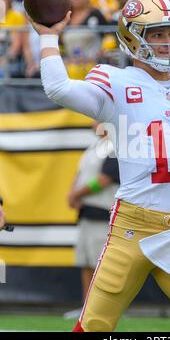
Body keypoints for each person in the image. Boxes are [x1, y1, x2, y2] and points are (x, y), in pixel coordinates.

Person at [28, 0, 170, 332]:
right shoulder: (115, 83)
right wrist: (48, 38)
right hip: (132, 227)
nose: (166, 42)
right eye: (156, 33)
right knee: (95, 325)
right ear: (132, 37)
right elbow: (57, 88)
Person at [68, 122, 120, 301]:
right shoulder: (94, 146)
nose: (92, 122)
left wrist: (76, 194)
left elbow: (103, 179)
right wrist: (73, 193)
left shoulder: (116, 146)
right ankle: (86, 308)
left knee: (102, 265)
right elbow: (82, 175)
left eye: (97, 118)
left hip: (103, 214)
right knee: (87, 263)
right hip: (87, 213)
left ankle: (103, 308)